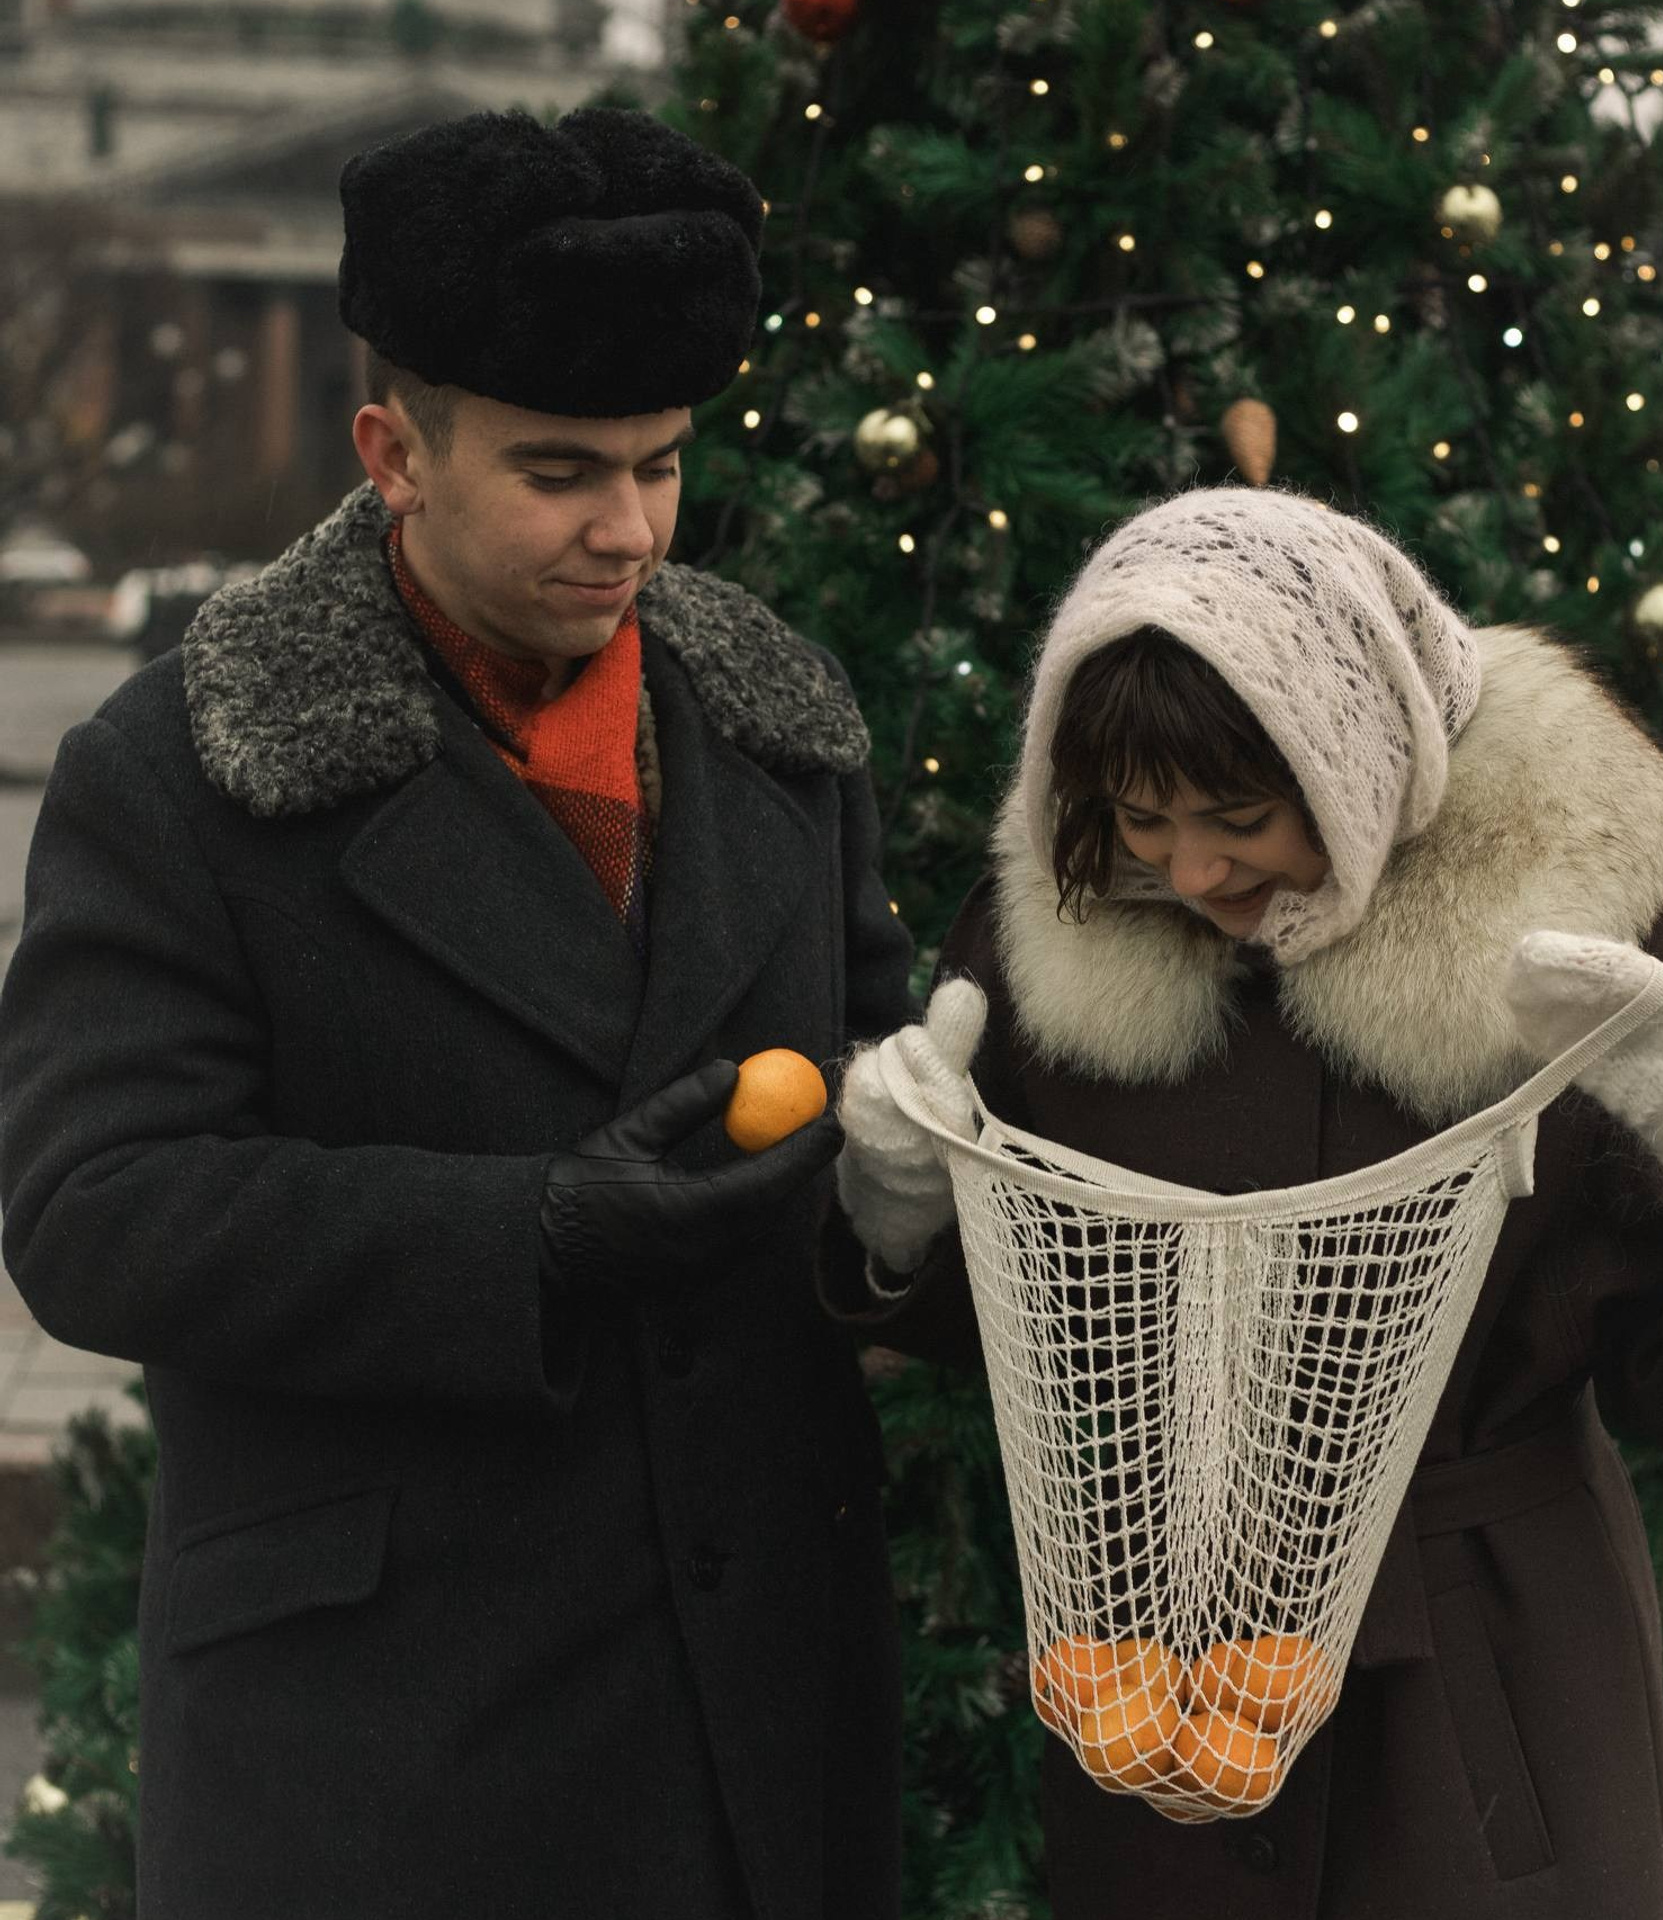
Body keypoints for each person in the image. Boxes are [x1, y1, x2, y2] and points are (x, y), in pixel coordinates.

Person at [0, 106, 916, 1920]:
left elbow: (880, 1093)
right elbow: (89, 1217)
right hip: (378, 1749)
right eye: (561, 472)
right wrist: (534, 1234)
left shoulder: (776, 732)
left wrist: (904, 1213)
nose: (632, 530)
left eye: (662, 466)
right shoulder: (177, 767)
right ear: (391, 453)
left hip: (747, 1723)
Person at [823, 487, 1663, 1920]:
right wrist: (899, 1220)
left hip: (1490, 1722)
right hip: (1156, 1715)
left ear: (1352, 756)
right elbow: (1049, 1341)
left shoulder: (1613, 959)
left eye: (1238, 815)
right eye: (1141, 818)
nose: (1193, 870)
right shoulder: (1059, 945)